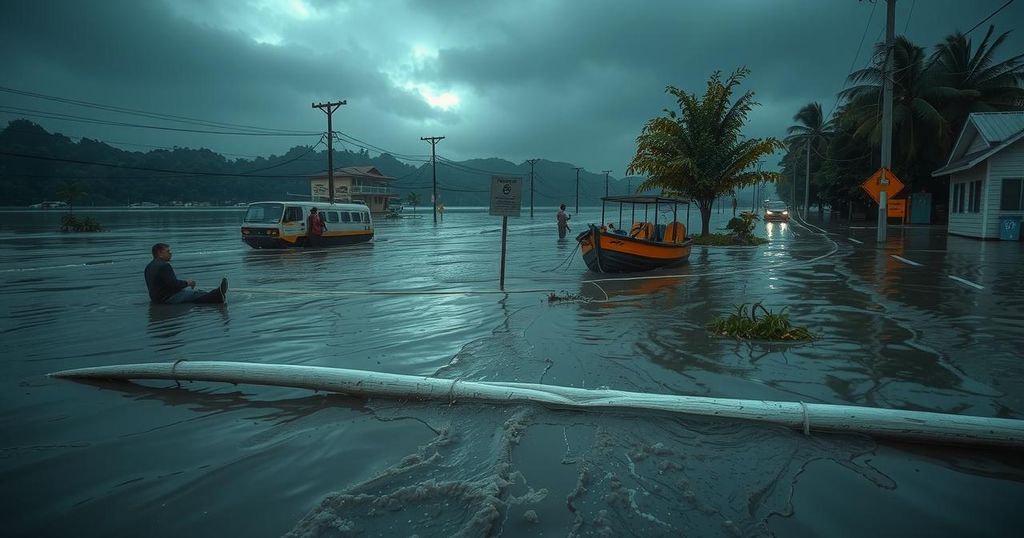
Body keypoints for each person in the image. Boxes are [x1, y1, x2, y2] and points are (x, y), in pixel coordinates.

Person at [144, 243, 227, 304]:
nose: (170, 253)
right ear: (160, 253)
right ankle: (217, 297)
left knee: (190, 293)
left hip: (156, 299)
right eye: (168, 251)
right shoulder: (164, 266)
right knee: (196, 293)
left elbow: (163, 285)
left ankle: (216, 295)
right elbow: (173, 284)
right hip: (167, 298)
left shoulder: (148, 267)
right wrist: (188, 283)